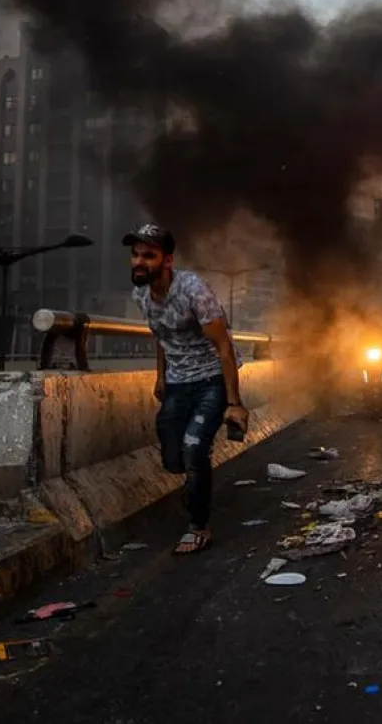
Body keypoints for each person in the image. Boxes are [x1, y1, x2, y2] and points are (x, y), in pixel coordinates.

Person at [124, 223, 248, 555]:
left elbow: (223, 346)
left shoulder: (194, 290)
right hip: (177, 382)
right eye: (135, 255)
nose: (139, 262)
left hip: (211, 380)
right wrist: (160, 376)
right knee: (173, 456)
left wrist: (234, 403)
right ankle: (195, 480)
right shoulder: (140, 294)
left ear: (167, 260)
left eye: (148, 256)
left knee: (194, 449)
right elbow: (161, 336)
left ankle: (198, 526)